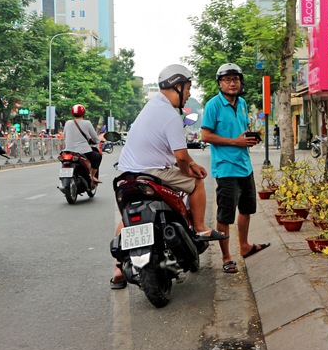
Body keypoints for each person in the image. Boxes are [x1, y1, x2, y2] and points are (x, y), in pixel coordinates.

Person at [110, 64, 227, 289]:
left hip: (127, 175)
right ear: (178, 86)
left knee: (127, 216)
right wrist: (193, 168)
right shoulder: (170, 116)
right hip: (153, 173)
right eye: (189, 88)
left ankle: (118, 269)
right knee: (197, 182)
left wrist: (186, 164)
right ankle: (201, 228)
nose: (189, 93)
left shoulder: (150, 108)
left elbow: (163, 151)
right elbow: (181, 157)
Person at [201, 62, 270, 274]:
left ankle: (245, 246)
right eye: (227, 80)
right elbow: (206, 135)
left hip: (245, 166)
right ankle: (226, 257)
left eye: (236, 79)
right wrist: (235, 142)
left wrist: (249, 139)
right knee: (224, 216)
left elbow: (241, 131)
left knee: (247, 210)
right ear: (220, 83)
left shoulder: (242, 103)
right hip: (226, 169)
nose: (233, 83)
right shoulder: (213, 105)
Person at [63, 104, 102, 184]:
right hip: (83, 151)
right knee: (98, 156)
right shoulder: (87, 123)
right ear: (83, 113)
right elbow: (95, 138)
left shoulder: (67, 123)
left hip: (68, 151)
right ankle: (92, 176)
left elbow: (65, 136)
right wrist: (98, 141)